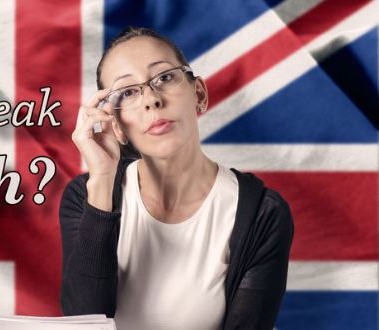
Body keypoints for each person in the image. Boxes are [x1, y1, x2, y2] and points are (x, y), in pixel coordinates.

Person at [59, 26, 295, 330]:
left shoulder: (262, 213)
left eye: (164, 77)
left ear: (199, 93)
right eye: (128, 92)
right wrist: (103, 179)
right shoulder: (85, 196)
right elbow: (83, 319)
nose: (151, 100)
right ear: (116, 127)